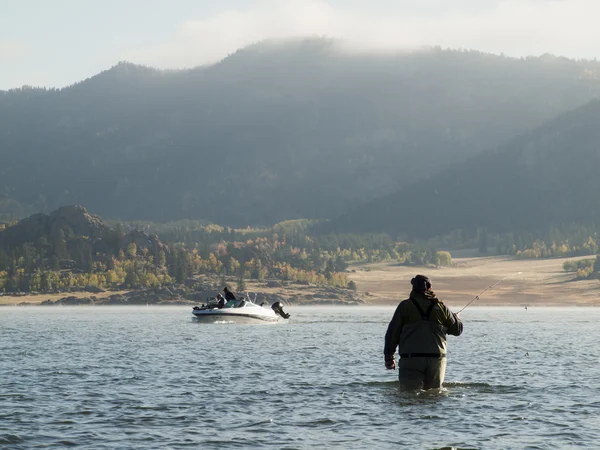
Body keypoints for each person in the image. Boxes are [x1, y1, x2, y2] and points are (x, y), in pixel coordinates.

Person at [383, 275, 463, 390]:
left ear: (413, 287)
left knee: (409, 396)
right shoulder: (441, 307)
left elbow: (392, 333)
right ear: (430, 287)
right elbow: (457, 330)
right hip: (437, 360)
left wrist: (389, 357)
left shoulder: (405, 306)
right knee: (433, 396)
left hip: (411, 359)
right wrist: (456, 318)